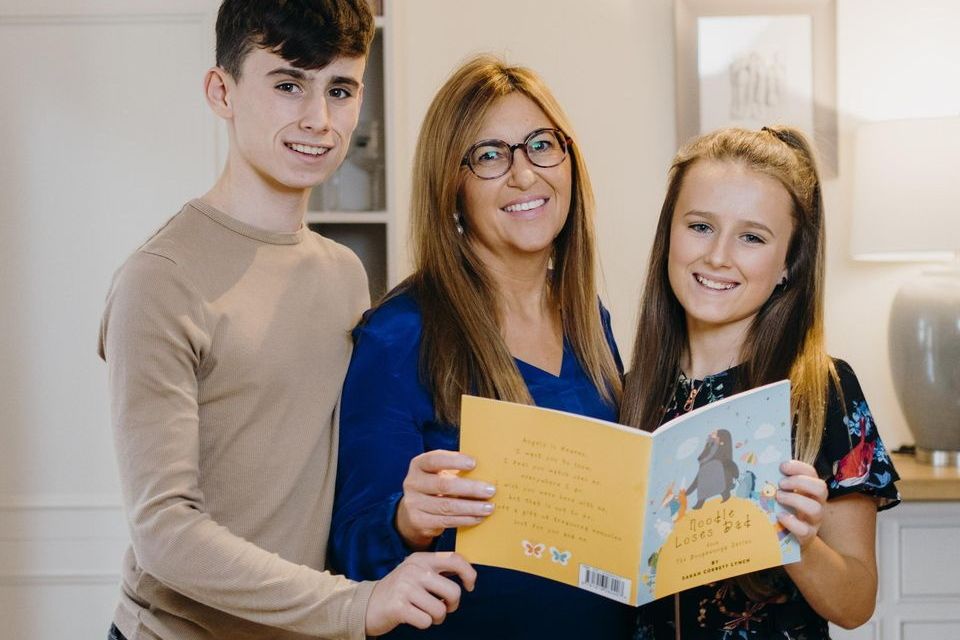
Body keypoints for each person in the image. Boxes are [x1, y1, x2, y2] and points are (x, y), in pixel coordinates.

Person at [98, 2, 474, 639]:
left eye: (341, 89)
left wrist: (408, 509)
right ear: (223, 90)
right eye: (288, 84)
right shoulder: (158, 279)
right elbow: (164, 530)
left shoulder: (344, 274)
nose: (319, 120)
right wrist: (356, 606)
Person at [328, 54, 635, 638]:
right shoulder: (399, 334)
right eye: (490, 155)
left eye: (542, 145)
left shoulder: (591, 321)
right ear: (452, 189)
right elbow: (351, 549)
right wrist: (406, 520)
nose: (524, 174)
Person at [621, 126, 900, 639]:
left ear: (788, 264)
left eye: (751, 237)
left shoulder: (823, 392)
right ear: (668, 237)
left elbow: (856, 603)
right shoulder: (627, 392)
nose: (718, 256)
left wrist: (799, 540)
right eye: (700, 226)